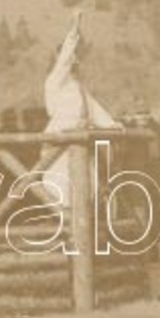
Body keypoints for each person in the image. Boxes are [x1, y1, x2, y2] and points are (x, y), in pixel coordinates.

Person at [41, 12, 121, 216]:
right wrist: (74, 29)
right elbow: (64, 61)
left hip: (80, 147)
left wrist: (112, 125)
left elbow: (95, 112)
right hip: (58, 147)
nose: (75, 65)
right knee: (62, 190)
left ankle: (79, 233)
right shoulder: (54, 83)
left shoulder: (80, 90)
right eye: (71, 61)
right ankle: (69, 232)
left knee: (86, 190)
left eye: (76, 63)